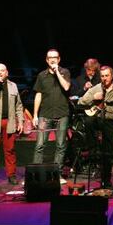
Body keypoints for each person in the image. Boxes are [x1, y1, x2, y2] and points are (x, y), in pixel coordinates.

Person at [78, 65, 113, 188]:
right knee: (88, 121)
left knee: (107, 153)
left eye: (107, 75)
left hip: (110, 121)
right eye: (102, 76)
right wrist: (93, 98)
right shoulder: (95, 88)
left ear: (112, 76)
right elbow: (80, 102)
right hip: (97, 119)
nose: (104, 78)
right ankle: (92, 148)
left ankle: (106, 181)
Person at [32, 49, 71, 185]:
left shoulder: (65, 72)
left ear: (59, 59)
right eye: (50, 58)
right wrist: (35, 115)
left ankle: (57, 175)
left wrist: (57, 73)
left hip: (62, 114)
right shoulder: (41, 76)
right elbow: (38, 95)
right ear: (47, 60)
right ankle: (35, 175)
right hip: (45, 114)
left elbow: (66, 87)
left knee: (60, 146)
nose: (53, 60)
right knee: (40, 145)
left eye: (55, 58)